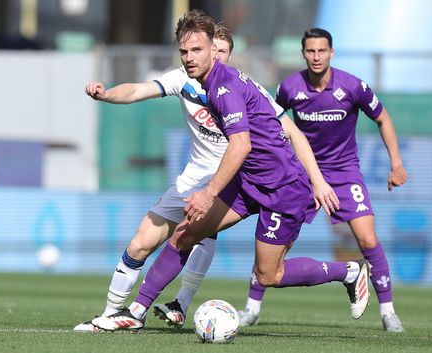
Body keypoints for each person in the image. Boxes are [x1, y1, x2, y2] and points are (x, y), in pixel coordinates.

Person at [89, 10, 371, 332]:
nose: (189, 58)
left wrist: (209, 193)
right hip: (248, 180)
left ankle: (348, 272)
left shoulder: (225, 88)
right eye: (184, 51)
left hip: (283, 189)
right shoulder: (202, 81)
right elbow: (140, 91)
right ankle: (135, 313)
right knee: (186, 233)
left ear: (214, 50)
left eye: (197, 50)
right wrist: (107, 94)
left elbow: (241, 145)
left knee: (269, 275)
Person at [237, 28, 408, 333]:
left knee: (367, 238)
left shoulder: (354, 87)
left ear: (331, 53)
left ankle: (388, 312)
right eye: (311, 51)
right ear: (303, 54)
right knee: (276, 246)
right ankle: (251, 308)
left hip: (344, 174)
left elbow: (383, 118)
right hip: (302, 176)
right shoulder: (289, 88)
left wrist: (396, 163)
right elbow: (270, 123)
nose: (316, 57)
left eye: (322, 51)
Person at [74, 24, 235, 332]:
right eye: (209, 49)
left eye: (222, 51)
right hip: (190, 179)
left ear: (227, 55)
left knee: (197, 235)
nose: (214, 55)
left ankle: (181, 302)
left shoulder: (241, 88)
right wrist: (107, 94)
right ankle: (111, 314)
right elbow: (136, 90)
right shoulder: (183, 79)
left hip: (225, 182)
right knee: (139, 244)